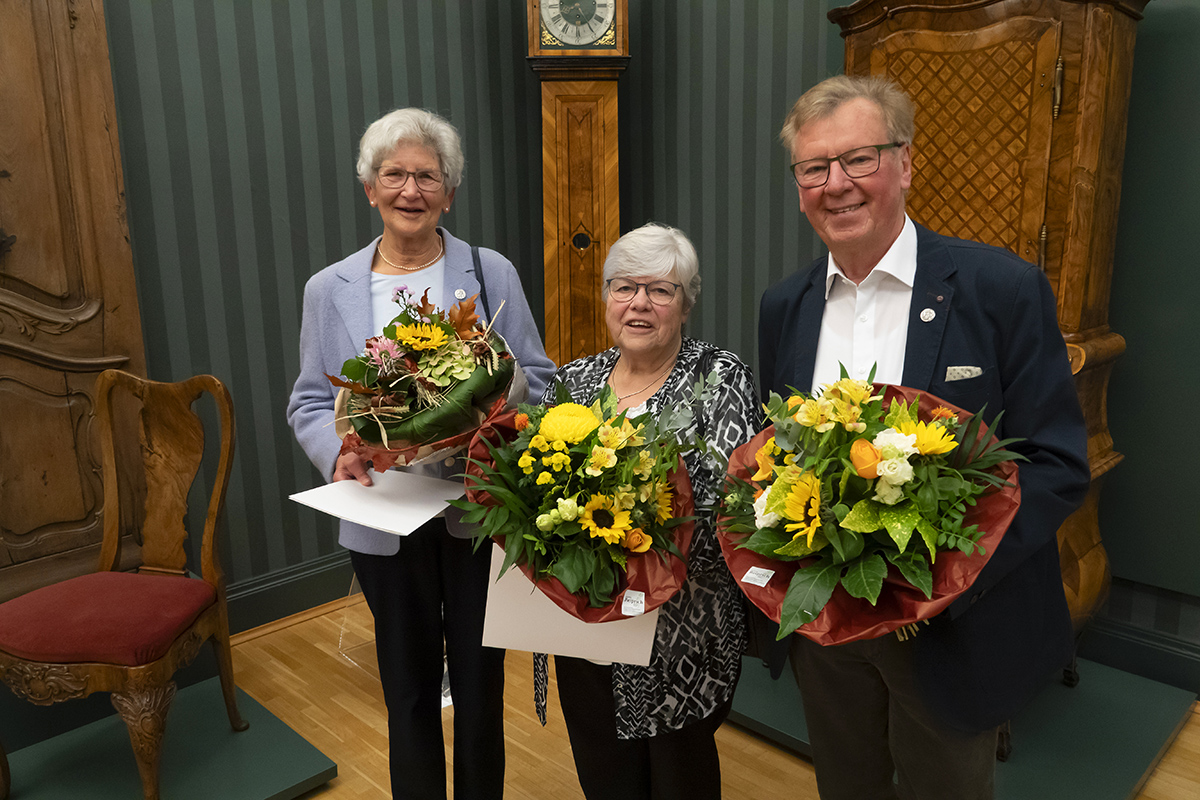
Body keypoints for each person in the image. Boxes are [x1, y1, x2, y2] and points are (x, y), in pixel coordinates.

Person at [758, 76, 1091, 799]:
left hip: (951, 634)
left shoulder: (1001, 289)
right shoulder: (784, 306)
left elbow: (1058, 464)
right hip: (828, 634)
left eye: (859, 159)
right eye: (814, 168)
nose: (835, 185)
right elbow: (773, 455)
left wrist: (941, 583)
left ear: (905, 163)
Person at [287, 107, 555, 800]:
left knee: (478, 686)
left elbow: (540, 380)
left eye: (427, 176)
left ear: (450, 191)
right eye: (395, 174)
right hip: (382, 520)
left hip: (476, 516)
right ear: (369, 188)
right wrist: (337, 454)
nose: (411, 189)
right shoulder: (330, 289)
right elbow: (310, 403)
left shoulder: (489, 272)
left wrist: (491, 427)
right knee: (406, 690)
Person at [536, 222, 761, 800]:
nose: (639, 303)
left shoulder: (719, 377)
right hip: (583, 625)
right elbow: (532, 491)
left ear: (685, 306)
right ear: (607, 297)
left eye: (661, 290)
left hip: (683, 632)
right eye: (624, 287)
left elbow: (738, 507)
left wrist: (631, 547)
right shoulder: (570, 383)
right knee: (602, 767)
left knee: (678, 776)